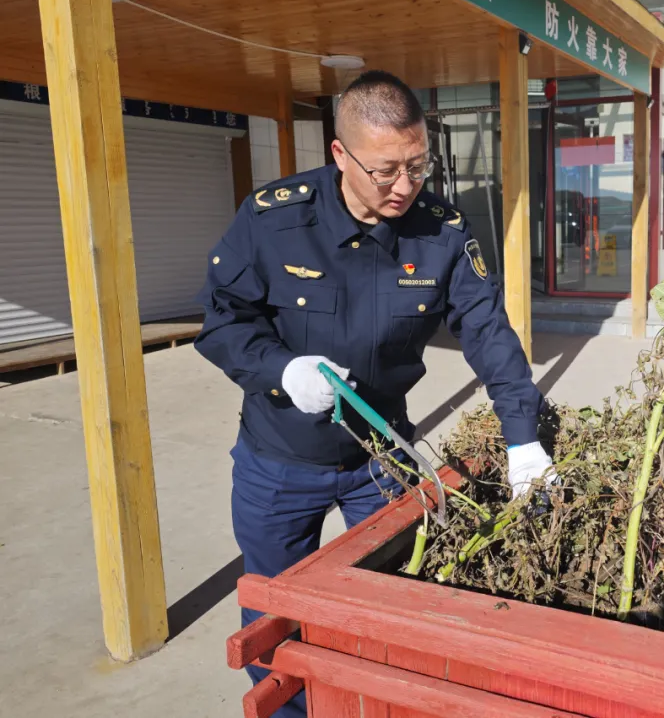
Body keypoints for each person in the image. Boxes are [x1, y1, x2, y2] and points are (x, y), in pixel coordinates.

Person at [193, 70, 555, 716]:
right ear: (340, 155)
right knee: (276, 617)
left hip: (378, 460)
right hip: (280, 460)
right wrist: (279, 371)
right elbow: (223, 320)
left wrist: (522, 435)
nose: (405, 187)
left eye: (417, 167)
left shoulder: (440, 231)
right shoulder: (275, 222)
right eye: (386, 171)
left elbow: (487, 330)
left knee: (401, 601)